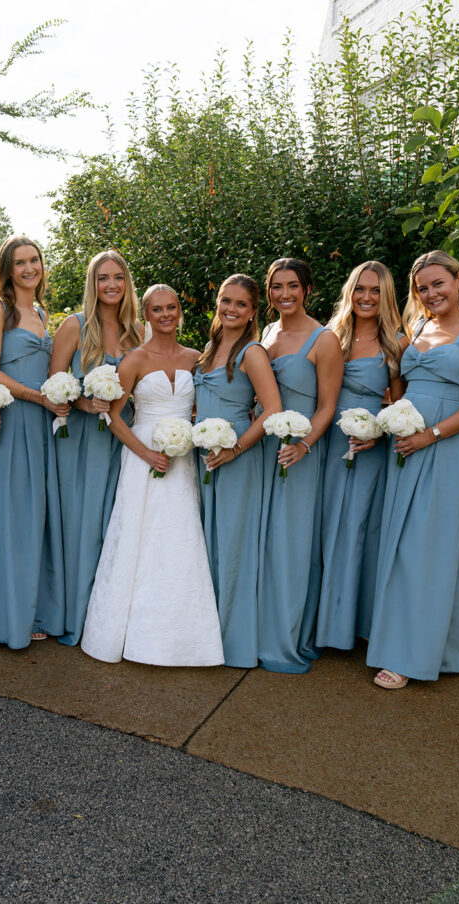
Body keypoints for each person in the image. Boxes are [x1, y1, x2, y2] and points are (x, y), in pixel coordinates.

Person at [367, 250, 459, 689]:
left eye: (438, 283)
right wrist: (382, 426)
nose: (431, 293)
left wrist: (433, 434)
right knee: (403, 545)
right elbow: (400, 391)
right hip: (406, 446)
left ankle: (414, 656)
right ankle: (402, 640)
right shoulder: (418, 328)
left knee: (430, 550)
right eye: (422, 287)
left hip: (448, 450)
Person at [81, 285, 224, 666]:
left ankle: (182, 637)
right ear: (146, 314)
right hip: (142, 453)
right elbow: (111, 414)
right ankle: (128, 632)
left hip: (183, 458)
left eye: (172, 307)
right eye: (157, 309)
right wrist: (145, 453)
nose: (165, 315)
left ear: (180, 311)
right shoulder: (134, 360)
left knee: (180, 536)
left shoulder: (197, 358)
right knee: (138, 536)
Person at [50, 250, 142, 646]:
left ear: (127, 283)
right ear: (93, 282)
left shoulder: (138, 331)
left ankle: (109, 615)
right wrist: (84, 403)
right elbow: (53, 387)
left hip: (124, 439)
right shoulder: (74, 326)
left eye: (118, 277)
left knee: (115, 524)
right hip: (83, 442)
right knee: (81, 525)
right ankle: (75, 614)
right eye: (103, 277)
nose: (111, 285)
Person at [0, 236, 64, 648]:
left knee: (38, 517)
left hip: (44, 423)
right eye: (20, 263)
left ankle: (34, 608)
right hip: (14, 418)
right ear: (7, 270)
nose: (29, 268)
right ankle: (8, 615)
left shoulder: (43, 312)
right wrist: (36, 397)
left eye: (34, 260)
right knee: (13, 516)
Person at [316, 261, 406, 650]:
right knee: (320, 528)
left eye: (375, 291)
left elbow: (402, 407)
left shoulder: (396, 343)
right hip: (322, 442)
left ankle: (351, 627)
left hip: (365, 450)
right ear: (349, 293)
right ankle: (316, 624)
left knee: (355, 532)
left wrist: (379, 434)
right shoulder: (329, 337)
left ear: (386, 297)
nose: (366, 298)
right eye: (360, 289)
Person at [259, 258, 342, 672]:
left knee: (292, 543)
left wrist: (305, 445)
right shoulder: (267, 331)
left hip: (300, 452)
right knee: (265, 540)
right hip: (262, 448)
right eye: (276, 287)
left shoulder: (324, 339)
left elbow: (328, 406)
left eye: (293, 286)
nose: (284, 294)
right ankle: (257, 627)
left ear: (308, 289)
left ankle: (287, 635)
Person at [194, 274, 281, 669]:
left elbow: (273, 411)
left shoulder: (252, 352)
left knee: (233, 549)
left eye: (241, 304)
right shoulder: (210, 348)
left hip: (237, 461)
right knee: (208, 546)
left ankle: (235, 642)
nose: (231, 309)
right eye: (226, 301)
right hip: (204, 459)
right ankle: (206, 634)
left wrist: (235, 449)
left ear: (252, 313)